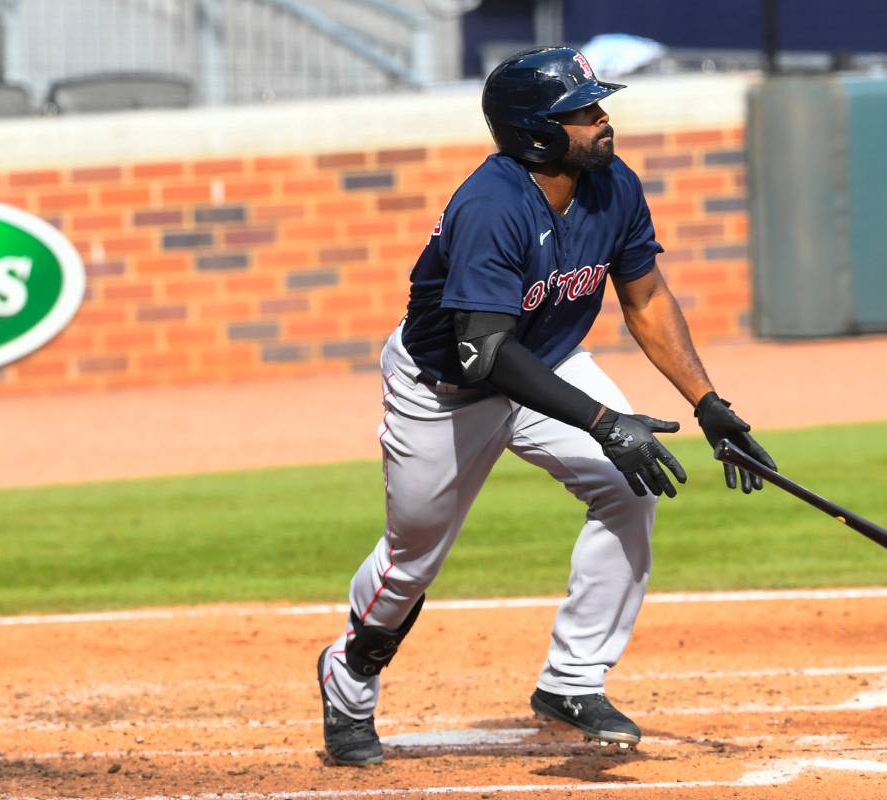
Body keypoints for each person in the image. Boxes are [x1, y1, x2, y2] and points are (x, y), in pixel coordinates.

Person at [316, 46, 776, 767]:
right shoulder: (490, 208)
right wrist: (602, 422)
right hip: (446, 390)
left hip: (549, 361)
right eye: (583, 112)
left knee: (628, 488)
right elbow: (485, 353)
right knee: (412, 561)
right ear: (536, 132)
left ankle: (572, 680)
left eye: (598, 105)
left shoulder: (611, 185)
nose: (603, 120)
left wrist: (708, 402)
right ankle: (348, 680)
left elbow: (646, 297)